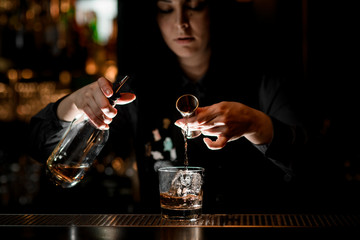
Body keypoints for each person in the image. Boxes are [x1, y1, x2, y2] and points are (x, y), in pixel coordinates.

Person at [29, 0, 318, 214]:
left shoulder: (263, 79)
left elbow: (317, 170)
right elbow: (40, 149)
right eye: (167, 8)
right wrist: (72, 104)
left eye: (195, 6)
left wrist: (257, 125)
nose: (181, 22)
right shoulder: (136, 88)